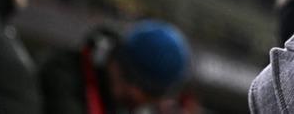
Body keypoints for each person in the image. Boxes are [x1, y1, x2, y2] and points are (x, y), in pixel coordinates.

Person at [40, 19, 192, 114]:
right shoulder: (63, 75)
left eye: (150, 96)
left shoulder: (122, 105)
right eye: (128, 77)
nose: (136, 95)